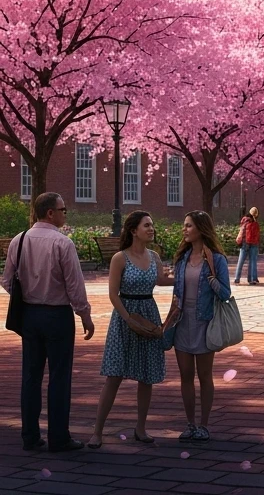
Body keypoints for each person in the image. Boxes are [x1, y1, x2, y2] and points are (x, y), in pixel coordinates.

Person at [2, 192, 94, 452]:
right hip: (57, 315)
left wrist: (28, 294)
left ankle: (29, 436)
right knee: (59, 376)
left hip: (29, 315)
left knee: (30, 376)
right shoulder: (62, 243)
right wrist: (84, 315)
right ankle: (58, 437)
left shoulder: (18, 241)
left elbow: (7, 280)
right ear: (50, 213)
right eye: (63, 209)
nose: (66, 213)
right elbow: (74, 285)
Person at [90, 211, 170, 448]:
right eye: (147, 225)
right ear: (134, 230)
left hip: (148, 313)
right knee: (114, 375)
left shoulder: (154, 256)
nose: (151, 229)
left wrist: (189, 275)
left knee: (146, 376)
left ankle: (141, 428)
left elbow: (161, 281)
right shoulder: (120, 258)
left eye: (152, 225)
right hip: (125, 317)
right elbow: (113, 294)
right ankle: (97, 431)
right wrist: (127, 319)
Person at [164, 211, 232, 443]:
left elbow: (226, 293)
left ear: (201, 229)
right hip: (182, 322)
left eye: (189, 226)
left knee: (204, 375)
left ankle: (204, 424)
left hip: (205, 321)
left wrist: (213, 281)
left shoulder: (216, 260)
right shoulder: (182, 259)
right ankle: (190, 424)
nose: (184, 230)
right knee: (185, 375)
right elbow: (176, 294)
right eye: (184, 225)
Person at [233, 207, 260, 285]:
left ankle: (237, 278)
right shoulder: (256, 223)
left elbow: (241, 230)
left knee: (240, 261)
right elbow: (257, 236)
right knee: (252, 261)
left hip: (244, 243)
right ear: (256, 214)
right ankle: (251, 279)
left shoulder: (244, 220)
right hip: (253, 244)